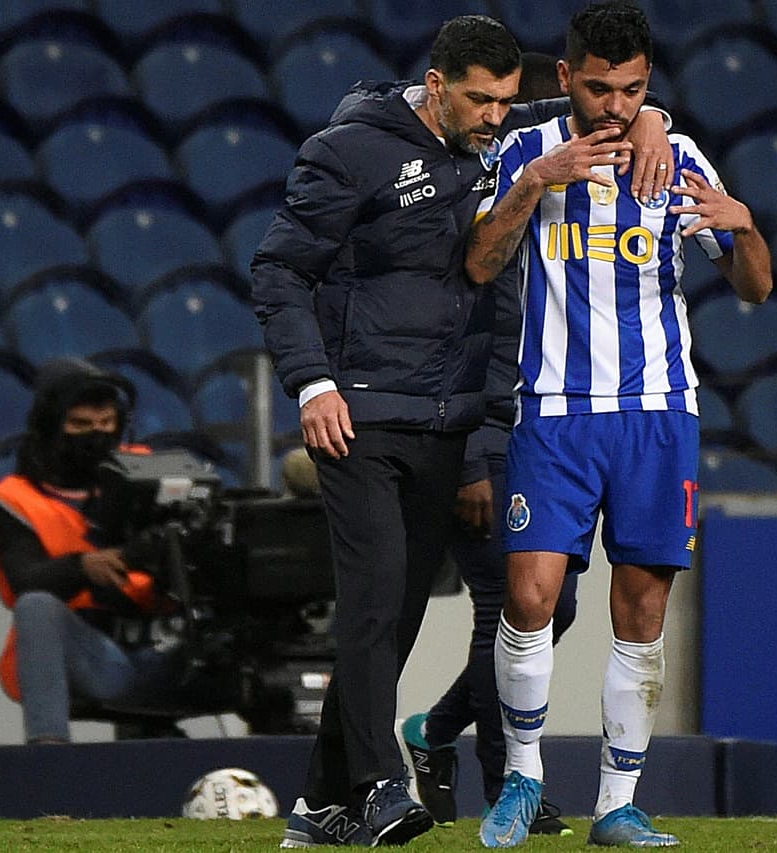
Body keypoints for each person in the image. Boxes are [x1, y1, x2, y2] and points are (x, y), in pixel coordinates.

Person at [251, 14, 675, 849]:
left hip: (448, 417)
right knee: (374, 599)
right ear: (437, 86)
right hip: (361, 410)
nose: (494, 117)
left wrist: (654, 118)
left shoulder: (504, 131)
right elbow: (278, 266)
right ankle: (377, 786)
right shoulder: (349, 150)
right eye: (479, 101)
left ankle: (316, 803)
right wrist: (313, 383)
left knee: (401, 611)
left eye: (506, 102)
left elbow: (601, 107)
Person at [463, 1, 773, 847]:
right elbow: (481, 263)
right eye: (599, 89)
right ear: (565, 78)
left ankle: (616, 804)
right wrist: (536, 182)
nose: (616, 107)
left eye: (633, 91)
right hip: (553, 412)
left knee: (641, 609)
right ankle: (522, 778)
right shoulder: (525, 151)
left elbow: (755, 288)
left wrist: (744, 226)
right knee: (528, 596)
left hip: (658, 413)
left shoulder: (676, 158)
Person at [399, 53, 581, 838]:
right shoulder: (466, 194)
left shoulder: (562, 204)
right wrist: (470, 455)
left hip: (548, 433)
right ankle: (509, 778)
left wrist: (655, 122)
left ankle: (437, 729)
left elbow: (645, 105)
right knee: (508, 604)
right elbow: (453, 333)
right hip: (483, 432)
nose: (504, 119)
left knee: (553, 604)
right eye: (499, 106)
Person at [0, 358, 180, 745]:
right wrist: (83, 566)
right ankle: (48, 753)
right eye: (80, 425)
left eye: (106, 424)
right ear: (50, 428)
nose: (96, 435)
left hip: (169, 648)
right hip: (94, 653)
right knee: (37, 606)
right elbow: (23, 580)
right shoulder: (15, 497)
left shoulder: (153, 471)